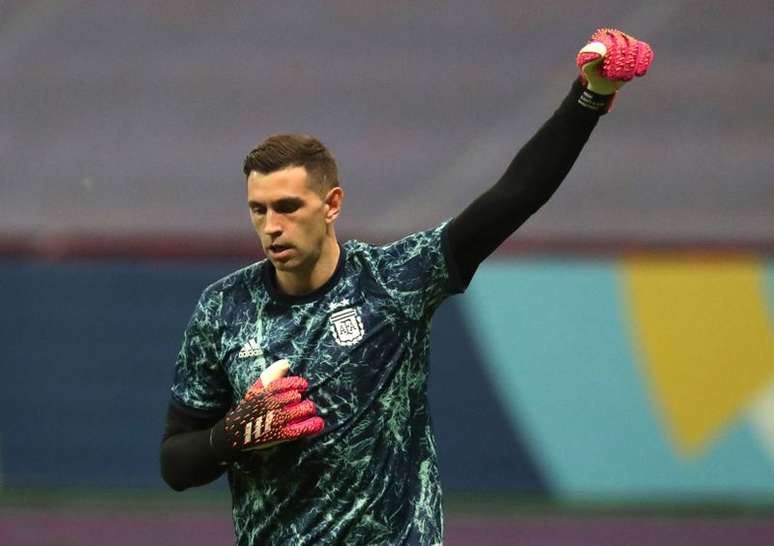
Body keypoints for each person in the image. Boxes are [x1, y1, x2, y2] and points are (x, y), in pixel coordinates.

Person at [160, 28, 653, 545]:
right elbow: (175, 463)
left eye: (288, 207)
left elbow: (513, 197)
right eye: (258, 210)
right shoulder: (224, 307)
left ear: (331, 205)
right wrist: (231, 436)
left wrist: (590, 96)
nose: (271, 225)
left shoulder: (395, 280)